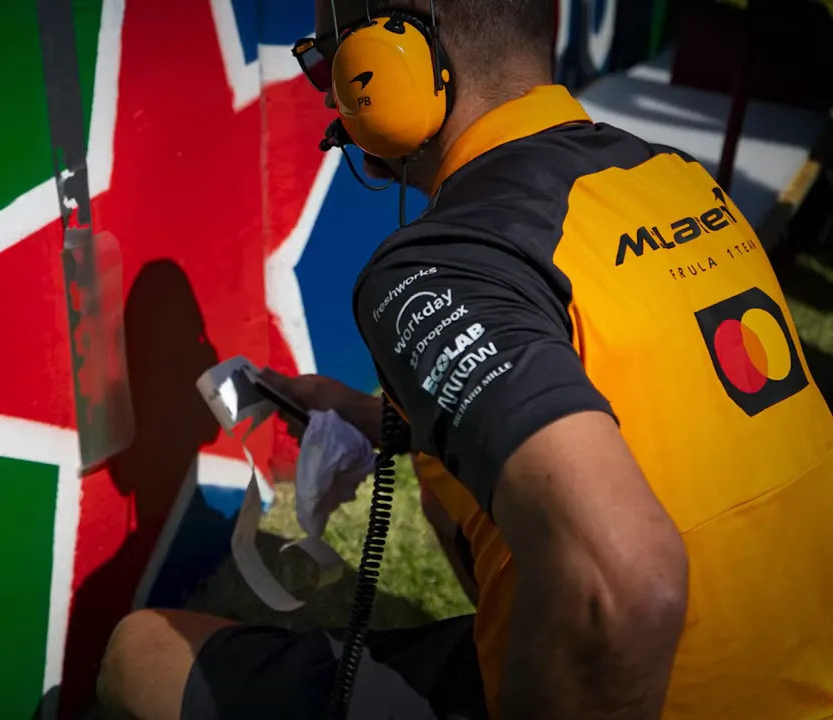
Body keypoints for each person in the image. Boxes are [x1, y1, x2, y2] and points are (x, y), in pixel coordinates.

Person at [95, 0, 833, 718]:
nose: (331, 93)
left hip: (654, 680)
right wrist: (363, 414)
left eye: (329, 61)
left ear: (384, 62)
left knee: (139, 655)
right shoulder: (677, 176)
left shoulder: (439, 266)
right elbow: (598, 393)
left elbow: (625, 583)